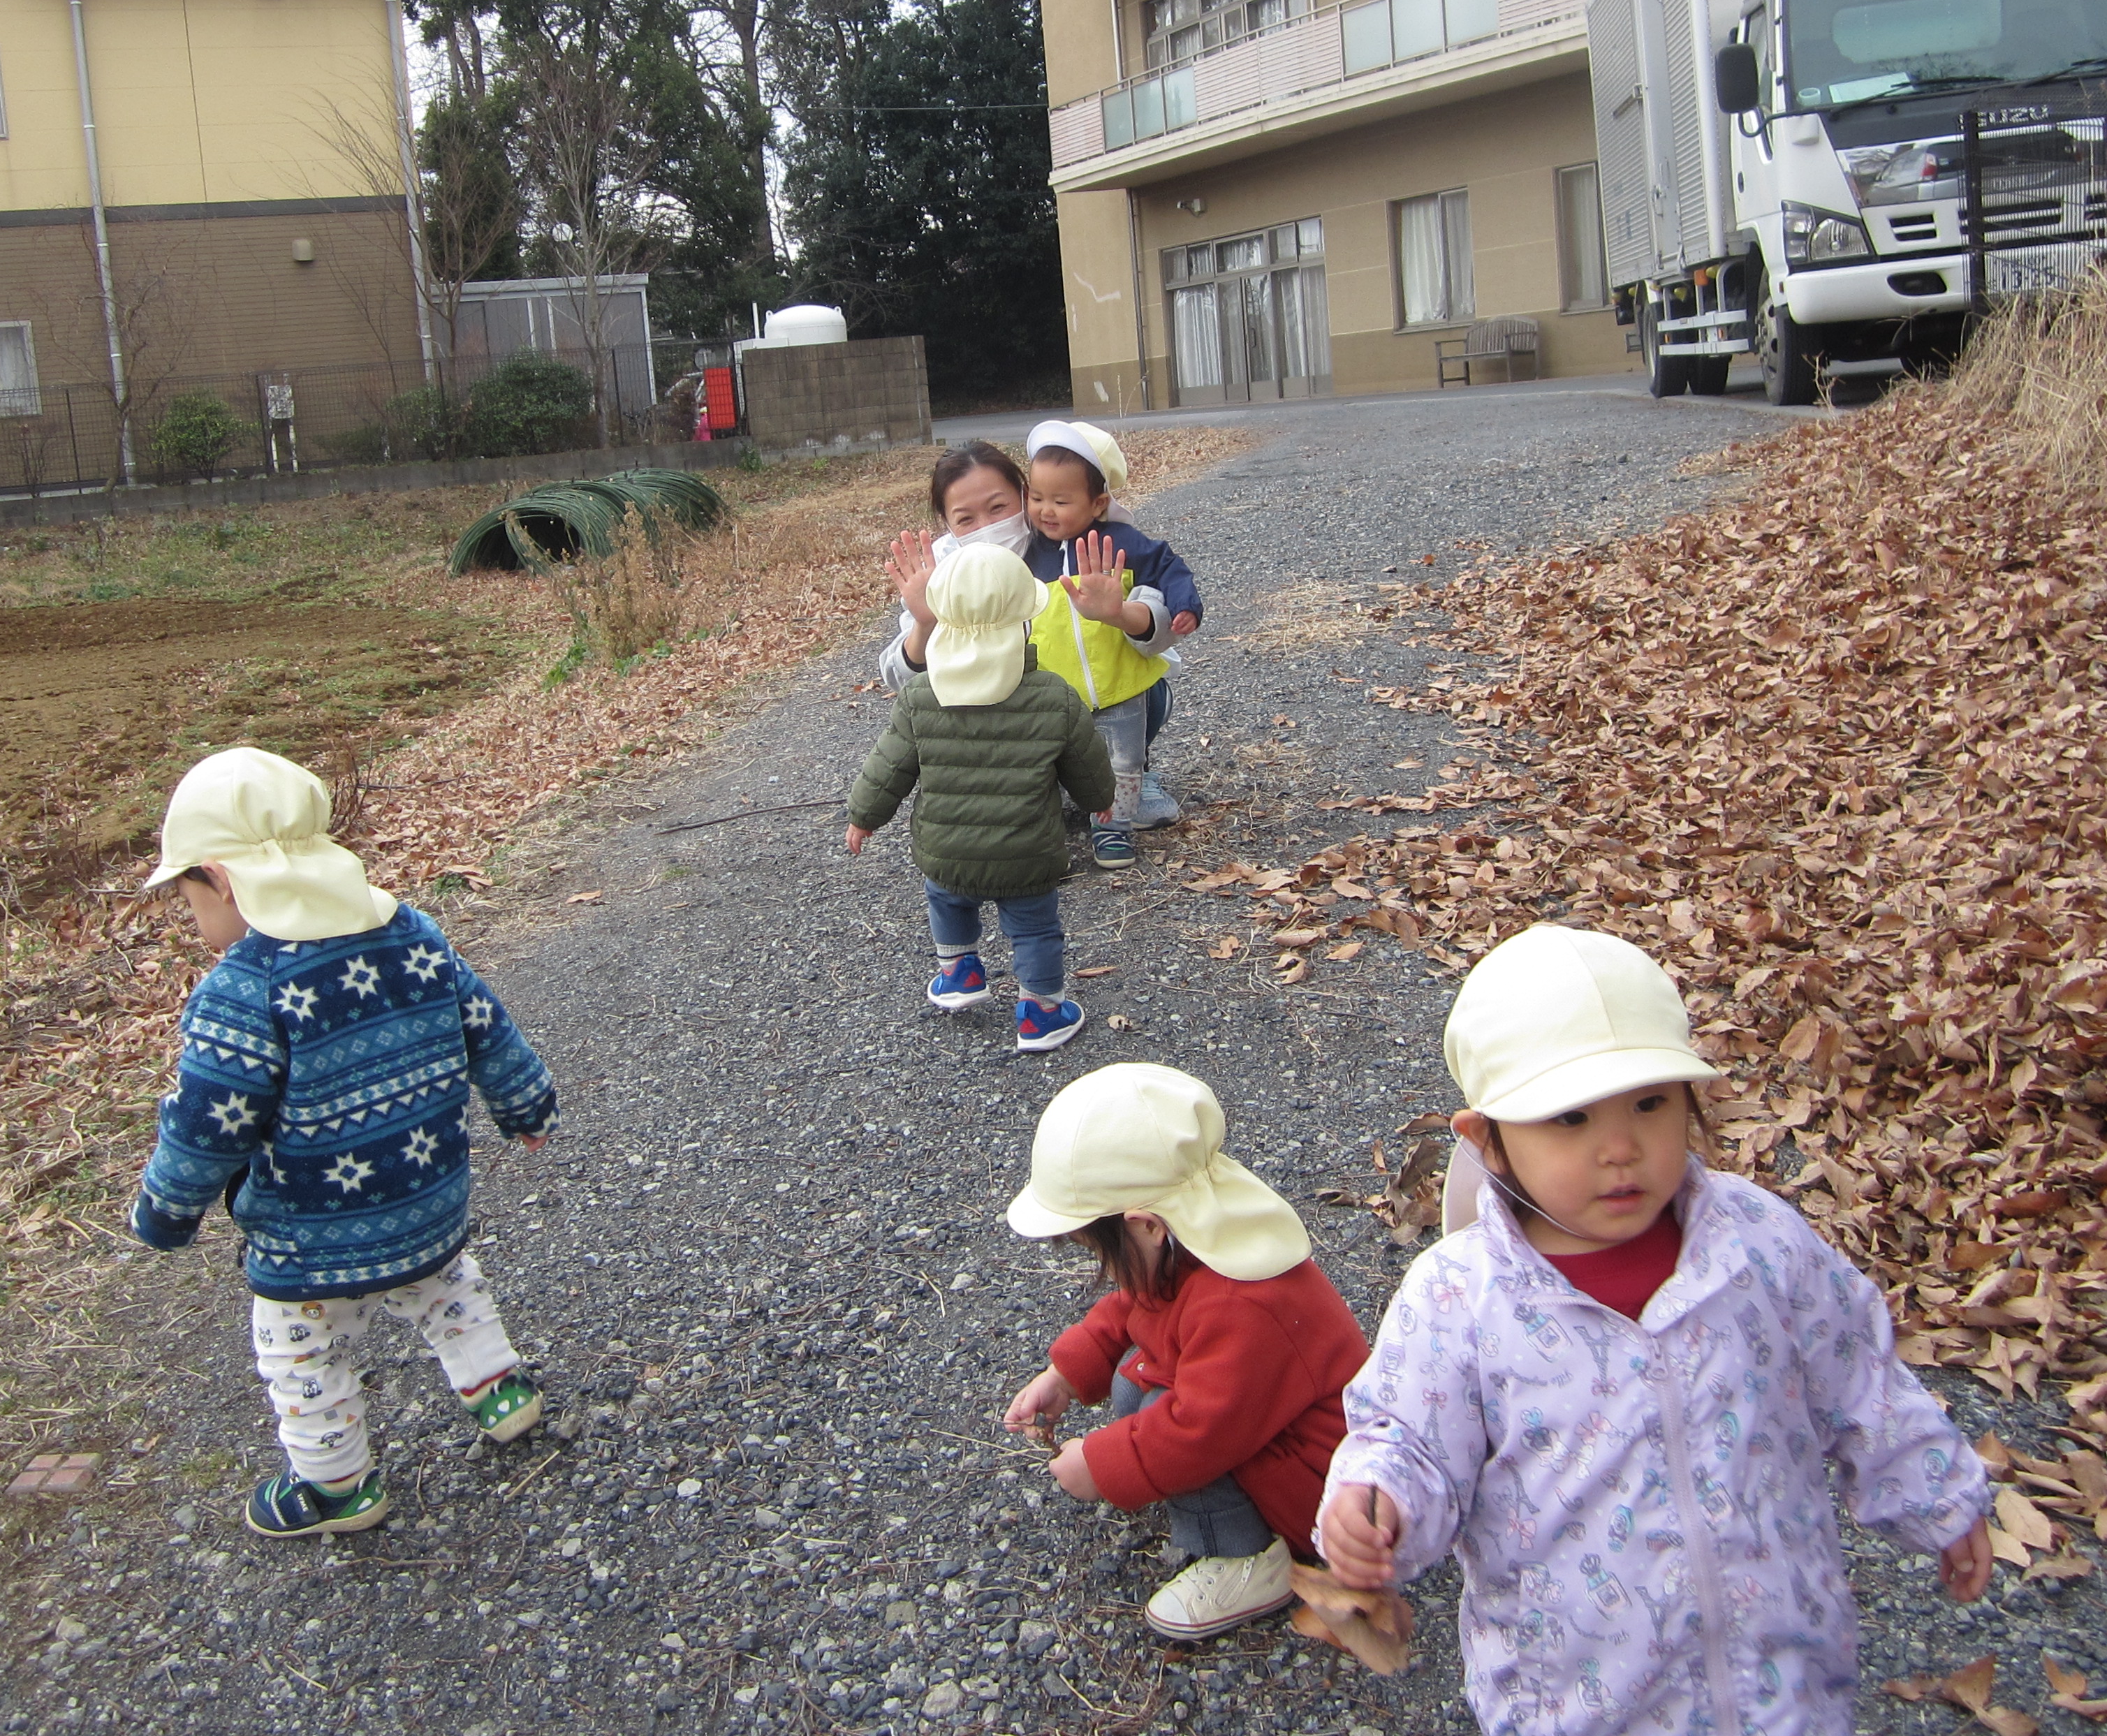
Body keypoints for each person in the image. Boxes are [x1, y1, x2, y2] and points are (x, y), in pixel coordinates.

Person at [1316, 925, 1994, 1732]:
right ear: (1486, 1141)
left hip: (1780, 1679)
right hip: (1578, 1695)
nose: (1620, 1148)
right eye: (1568, 1118)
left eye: (1649, 1102)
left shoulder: (1757, 1245)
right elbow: (1412, 1437)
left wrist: (1938, 1493)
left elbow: (1860, 1375)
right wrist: (1378, 1498)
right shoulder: (1461, 1296)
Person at [127, 747, 559, 1538]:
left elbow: (204, 1126)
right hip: (428, 1200)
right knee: (445, 1287)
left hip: (310, 1238)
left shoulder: (242, 989)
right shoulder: (411, 931)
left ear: (221, 878)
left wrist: (166, 1211)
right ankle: (500, 1392)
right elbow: (487, 1029)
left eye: (187, 895)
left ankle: (335, 1487)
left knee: (302, 1354)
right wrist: (527, 1106)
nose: (192, 919)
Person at [1003, 1062, 1369, 1640]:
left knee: (1160, 1418)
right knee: (1133, 1374)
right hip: (1265, 1426)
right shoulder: (1198, 1235)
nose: (1099, 1269)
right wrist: (1066, 1375)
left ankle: (1248, 1559)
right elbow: (1135, 1306)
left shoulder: (1241, 1305)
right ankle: (1210, 1508)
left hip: (1319, 1484)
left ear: (1145, 1226)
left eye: (1095, 1250)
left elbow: (1198, 1431)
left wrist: (1104, 1464)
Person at [879, 431, 1202, 867]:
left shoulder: (1071, 541)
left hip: (1093, 699)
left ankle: (1125, 782)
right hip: (1011, 724)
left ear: (1025, 496)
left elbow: (1158, 608)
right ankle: (1024, 794)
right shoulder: (941, 574)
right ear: (947, 526)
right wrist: (926, 621)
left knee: (1144, 693)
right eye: (966, 519)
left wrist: (1120, 614)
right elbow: (905, 685)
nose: (988, 528)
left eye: (999, 507)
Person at [847, 543, 1116, 1051]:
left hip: (947, 853)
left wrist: (863, 817)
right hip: (1026, 856)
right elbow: (1086, 763)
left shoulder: (921, 696)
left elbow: (889, 767)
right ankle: (1041, 1013)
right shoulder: (1053, 695)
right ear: (1025, 625)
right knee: (1035, 930)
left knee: (947, 899)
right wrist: (1102, 798)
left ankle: (960, 975)